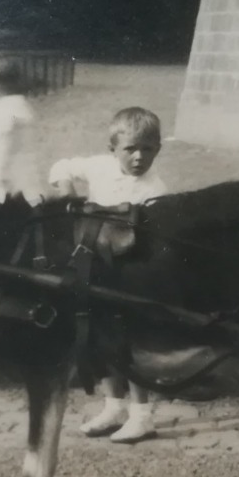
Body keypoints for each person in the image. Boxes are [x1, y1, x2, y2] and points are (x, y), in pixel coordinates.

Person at [48, 106, 170, 443]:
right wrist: (67, 193)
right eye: (131, 149)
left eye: (148, 149)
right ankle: (114, 405)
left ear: (158, 149)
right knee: (99, 337)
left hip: (130, 271)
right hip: (94, 265)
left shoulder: (155, 190)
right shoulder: (98, 166)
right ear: (112, 148)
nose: (138, 157)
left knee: (129, 340)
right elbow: (62, 166)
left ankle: (142, 414)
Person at [0, 58, 42, 203]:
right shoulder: (19, 103)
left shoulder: (3, 109)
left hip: (5, 181)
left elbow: (0, 148)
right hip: (22, 175)